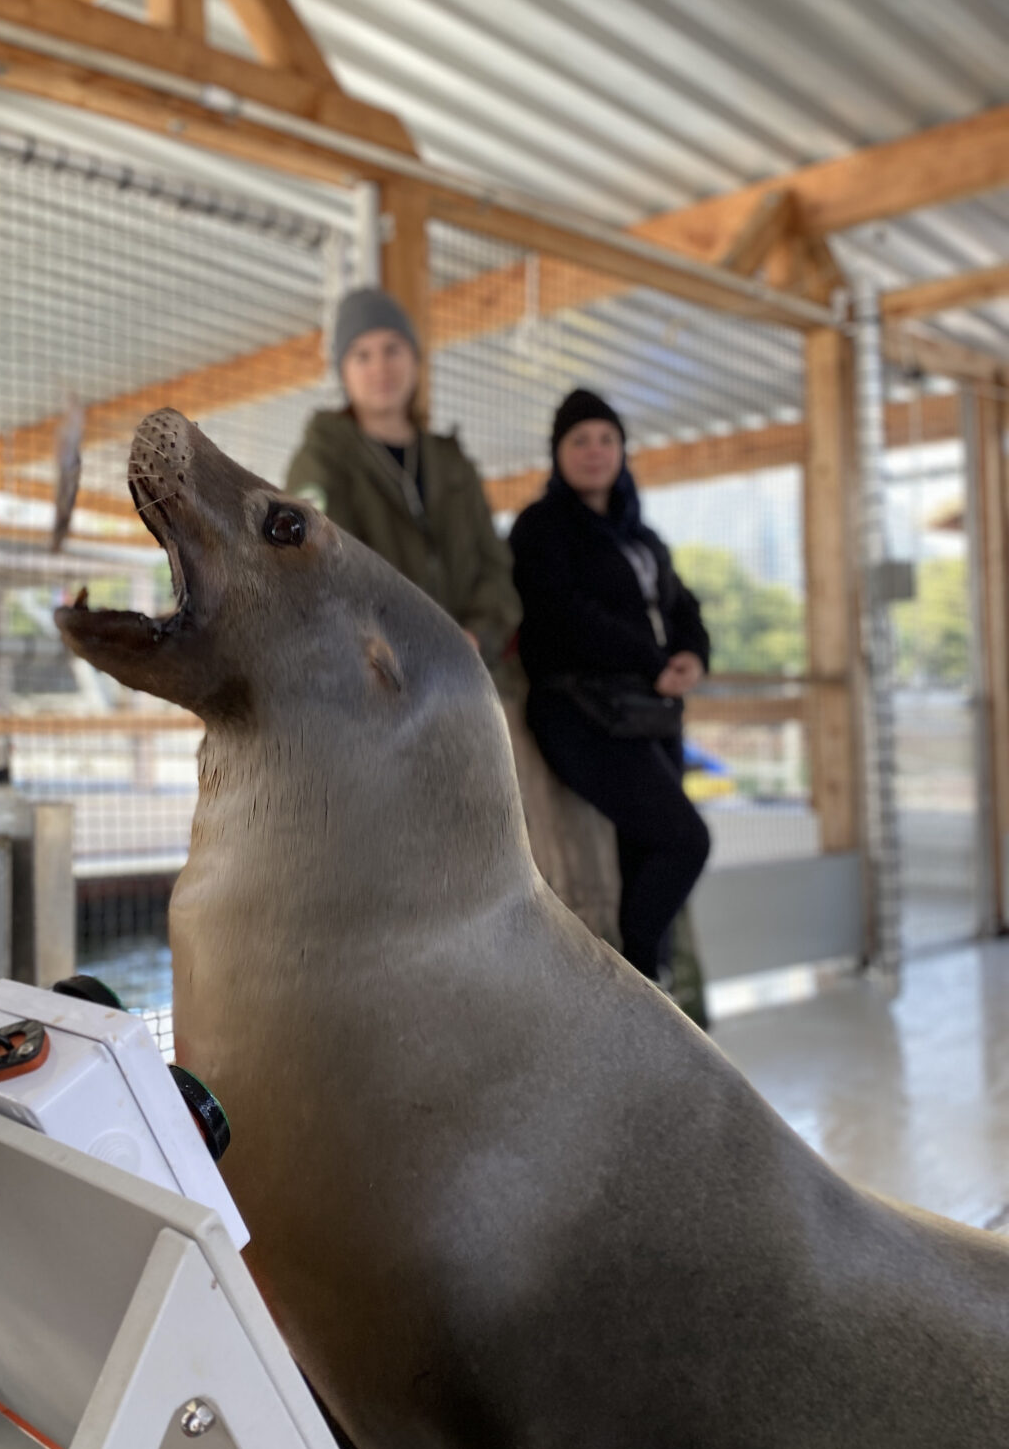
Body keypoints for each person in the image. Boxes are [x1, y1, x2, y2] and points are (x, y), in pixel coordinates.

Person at [510, 388, 711, 992]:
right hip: (580, 710)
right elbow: (565, 614)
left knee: (645, 852)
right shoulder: (540, 528)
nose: (595, 451)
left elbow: (684, 606)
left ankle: (650, 991)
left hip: (648, 712)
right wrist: (653, 661)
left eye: (606, 439)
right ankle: (639, 983)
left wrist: (691, 658)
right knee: (685, 840)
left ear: (622, 450)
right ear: (558, 453)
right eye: (580, 441)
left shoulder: (641, 536)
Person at [284, 287, 519, 665]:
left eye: (393, 349)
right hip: (378, 682)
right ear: (343, 370)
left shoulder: (453, 463)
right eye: (362, 355)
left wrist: (477, 636)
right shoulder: (324, 459)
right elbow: (316, 572)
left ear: (415, 358)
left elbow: (496, 568)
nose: (381, 367)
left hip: (473, 675)